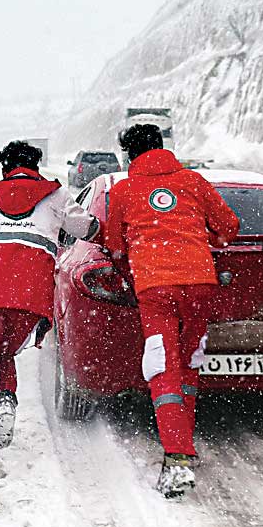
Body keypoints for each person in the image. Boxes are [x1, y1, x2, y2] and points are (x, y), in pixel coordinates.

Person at [103, 124, 239, 498]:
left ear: (130, 156)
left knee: (162, 369)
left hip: (155, 288)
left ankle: (177, 457)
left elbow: (114, 244)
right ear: (162, 147)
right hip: (200, 284)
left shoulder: (124, 190)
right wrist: (198, 242)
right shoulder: (193, 181)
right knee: (189, 364)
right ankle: (184, 444)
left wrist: (141, 248)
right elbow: (230, 227)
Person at [0, 140, 100, 470]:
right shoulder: (56, 195)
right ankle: (5, 401)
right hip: (31, 299)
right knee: (4, 351)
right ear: (36, 167)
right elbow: (86, 228)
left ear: (5, 169)